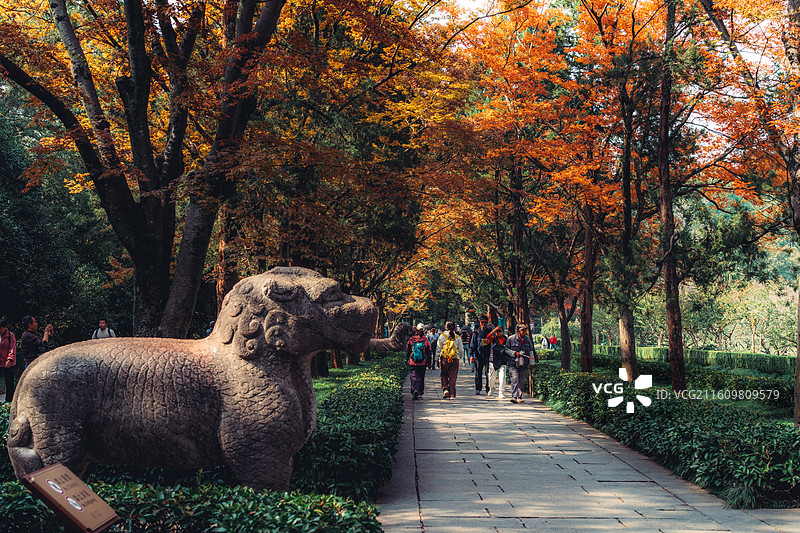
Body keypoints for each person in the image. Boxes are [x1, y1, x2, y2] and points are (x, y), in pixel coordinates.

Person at [505, 324, 534, 403]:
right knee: (515, 379)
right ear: (518, 331)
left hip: (524, 363)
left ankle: (519, 396)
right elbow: (506, 349)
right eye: (522, 330)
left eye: (525, 330)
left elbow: (531, 351)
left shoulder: (527, 339)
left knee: (521, 380)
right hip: (513, 363)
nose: (524, 332)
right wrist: (514, 353)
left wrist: (531, 363)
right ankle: (514, 396)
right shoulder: (511, 339)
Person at [436, 321, 463, 399]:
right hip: (455, 358)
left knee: (444, 374)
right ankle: (452, 395)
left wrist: (437, 359)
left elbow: (438, 348)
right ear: (454, 328)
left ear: (445, 327)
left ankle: (445, 389)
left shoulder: (442, 336)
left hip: (445, 358)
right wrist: (460, 357)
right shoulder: (457, 337)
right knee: (452, 376)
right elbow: (461, 350)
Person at [468, 315, 494, 395]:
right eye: (482, 322)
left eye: (485, 322)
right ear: (480, 323)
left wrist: (490, 341)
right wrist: (472, 355)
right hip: (478, 355)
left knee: (487, 373)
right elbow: (472, 344)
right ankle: (478, 388)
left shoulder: (489, 332)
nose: (483, 324)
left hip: (487, 355)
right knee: (478, 372)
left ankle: (488, 388)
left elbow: (494, 342)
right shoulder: (476, 332)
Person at [406, 323, 433, 400]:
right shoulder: (425, 340)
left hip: (413, 362)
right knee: (421, 377)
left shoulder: (411, 339)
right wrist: (429, 363)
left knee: (414, 376)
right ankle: (420, 393)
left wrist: (407, 359)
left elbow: (407, 350)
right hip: (422, 362)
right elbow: (429, 351)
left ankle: (415, 389)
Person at [485, 324, 507, 398]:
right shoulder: (493, 338)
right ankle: (491, 388)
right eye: (497, 332)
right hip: (493, 360)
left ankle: (501, 392)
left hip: (502, 360)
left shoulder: (506, 339)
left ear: (503, 332)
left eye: (500, 331)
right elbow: (487, 336)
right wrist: (494, 330)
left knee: (502, 376)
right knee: (491, 378)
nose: (498, 333)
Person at [0, 319, 16, 403]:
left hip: (7, 362)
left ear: (5, 327)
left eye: (1, 328)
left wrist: (9, 359)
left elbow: (12, 348)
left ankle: (9, 401)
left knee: (9, 382)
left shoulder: (10, 335)